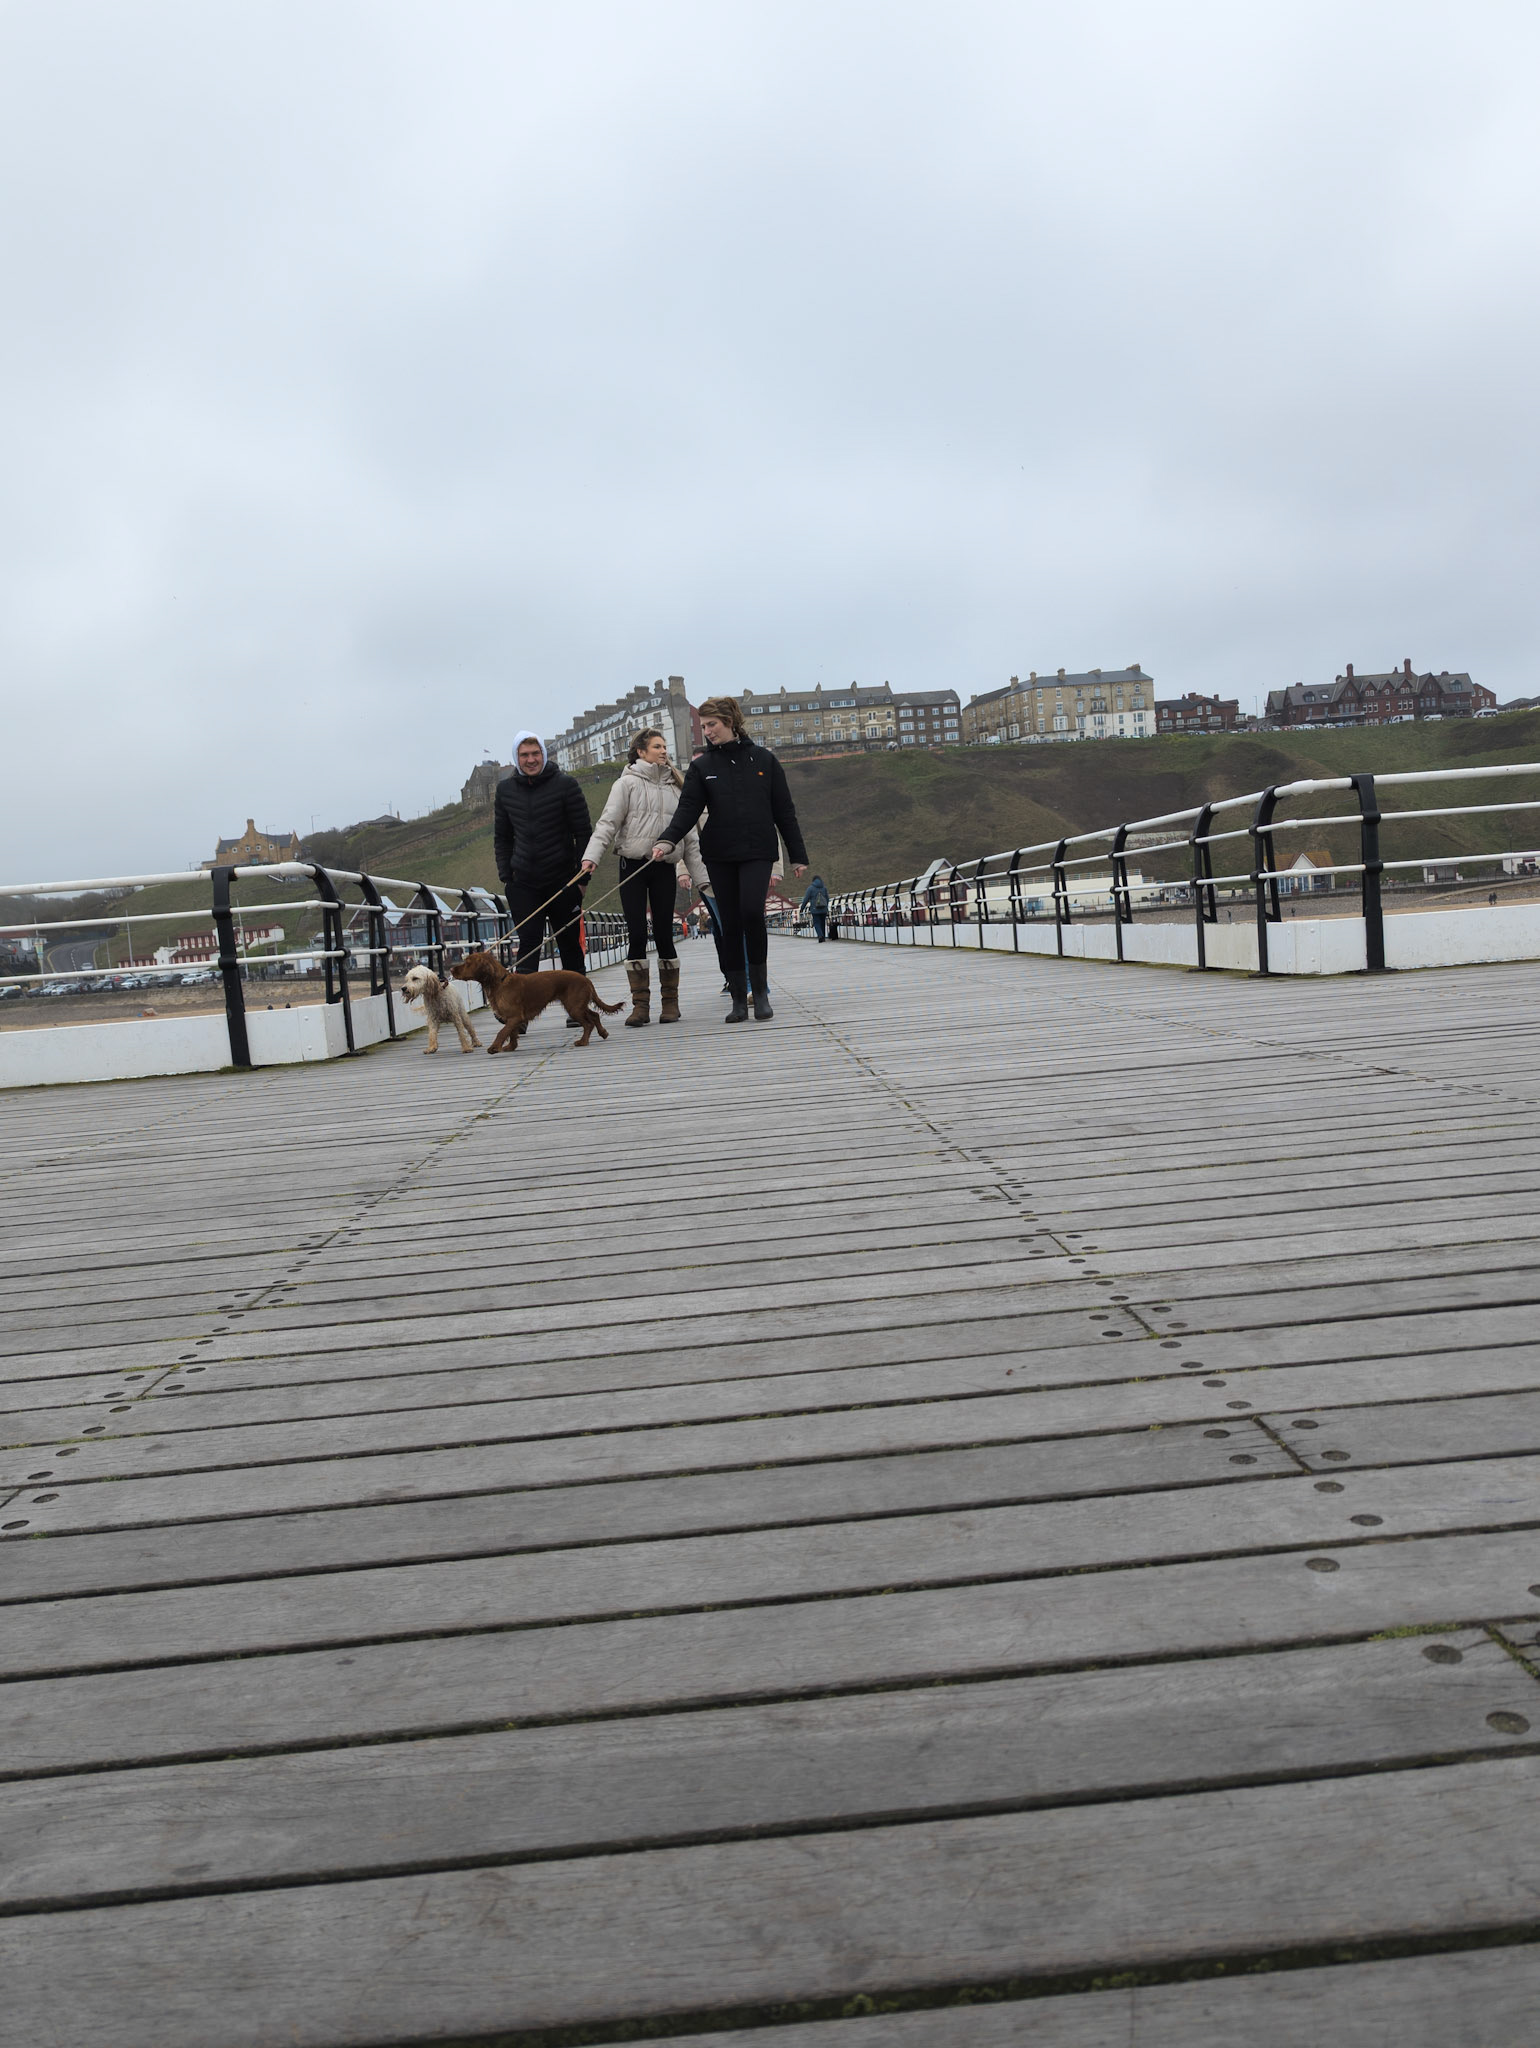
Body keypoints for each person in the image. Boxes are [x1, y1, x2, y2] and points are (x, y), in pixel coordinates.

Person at [652, 695, 807, 1023]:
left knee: (751, 912)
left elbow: (784, 811)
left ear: (731, 722)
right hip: (719, 854)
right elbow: (687, 809)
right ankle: (738, 999)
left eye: (712, 724)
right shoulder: (702, 767)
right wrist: (667, 840)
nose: (707, 731)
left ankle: (760, 993)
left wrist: (797, 856)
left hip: (757, 851)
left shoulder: (764, 760)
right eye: (704, 725)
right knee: (731, 922)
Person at [581, 728, 707, 1025]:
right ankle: (640, 1006)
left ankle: (670, 1003)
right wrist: (591, 857)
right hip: (632, 866)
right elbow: (608, 823)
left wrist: (702, 879)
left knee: (664, 933)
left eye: (664, 747)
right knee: (636, 933)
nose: (663, 751)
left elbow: (690, 838)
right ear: (641, 751)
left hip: (664, 867)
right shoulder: (626, 784)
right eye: (657, 747)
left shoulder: (677, 788)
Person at [493, 732, 593, 1015]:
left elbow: (583, 833)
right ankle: (519, 1015)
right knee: (528, 945)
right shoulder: (505, 790)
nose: (531, 760)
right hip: (523, 883)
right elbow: (502, 837)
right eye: (524, 755)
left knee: (570, 945)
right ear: (517, 758)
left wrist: (582, 879)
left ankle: (578, 1010)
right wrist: (507, 876)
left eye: (535, 753)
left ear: (544, 755)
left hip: (564, 880)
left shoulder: (566, 785)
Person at [801, 873, 830, 942]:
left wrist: (802, 908)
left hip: (815, 909)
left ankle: (820, 936)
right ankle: (823, 937)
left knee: (817, 923)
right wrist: (826, 906)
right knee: (822, 923)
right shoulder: (824, 888)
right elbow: (827, 898)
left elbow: (806, 899)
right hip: (823, 909)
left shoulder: (810, 888)